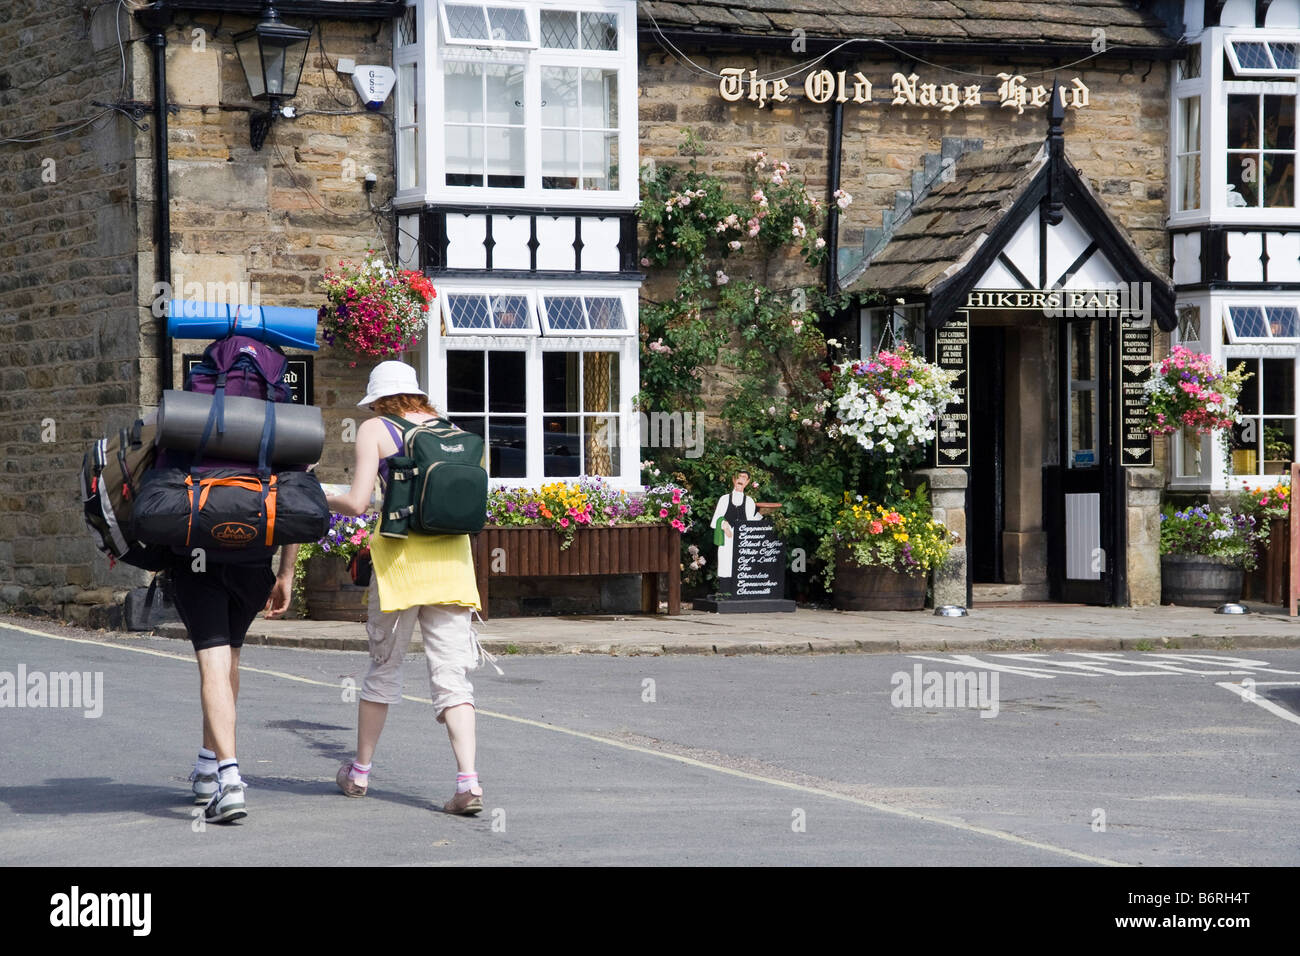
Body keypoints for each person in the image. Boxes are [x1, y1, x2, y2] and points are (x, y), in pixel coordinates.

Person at [324, 361, 488, 815]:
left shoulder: (374, 428)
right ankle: (468, 782)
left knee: (383, 667)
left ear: (378, 399)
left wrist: (318, 495)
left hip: (400, 564)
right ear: (417, 394)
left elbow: (358, 502)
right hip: (454, 564)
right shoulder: (451, 429)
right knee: (453, 677)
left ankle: (359, 773)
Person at [711, 469, 759, 584]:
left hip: (743, 540)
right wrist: (724, 524)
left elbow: (752, 525)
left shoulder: (750, 502)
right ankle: (725, 589)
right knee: (725, 564)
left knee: (742, 566)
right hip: (727, 539)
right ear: (733, 479)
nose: (740, 480)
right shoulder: (724, 499)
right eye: (739, 477)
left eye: (744, 478)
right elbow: (715, 520)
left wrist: (761, 514)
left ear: (747, 482)